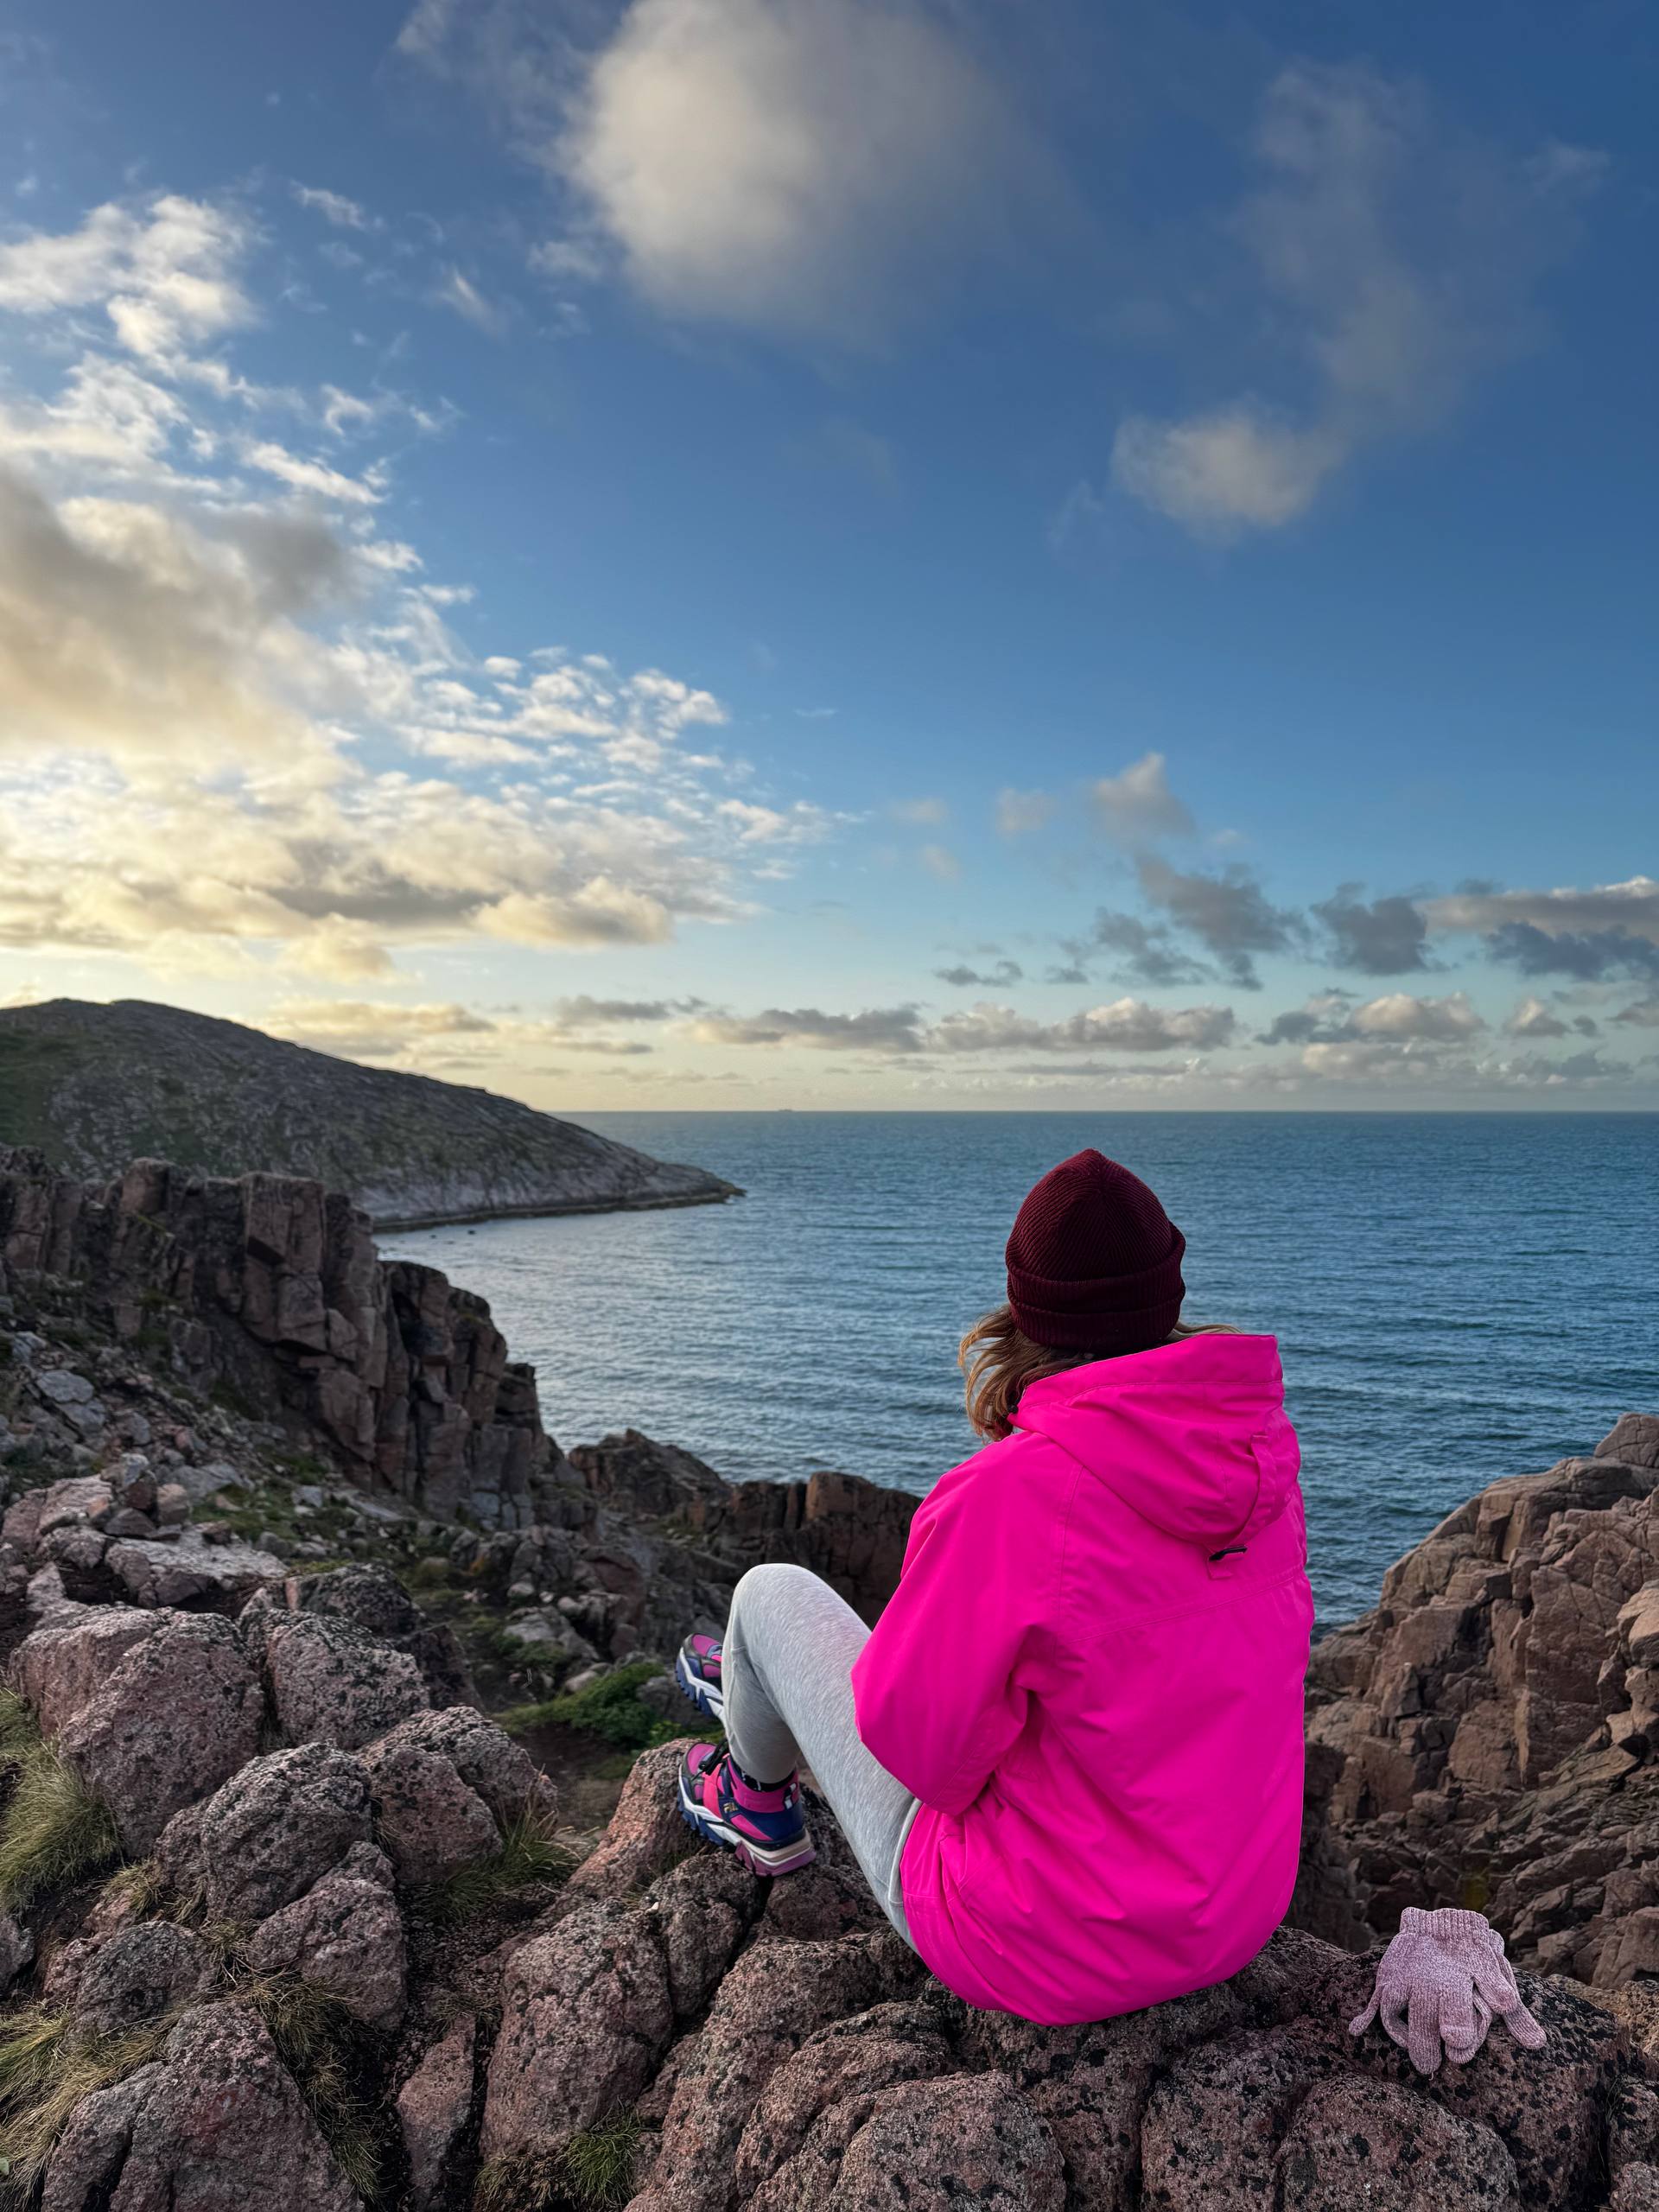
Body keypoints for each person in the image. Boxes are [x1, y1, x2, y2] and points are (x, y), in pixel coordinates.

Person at [671, 1147, 1313, 2025]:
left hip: (1038, 1948)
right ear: (1170, 1294)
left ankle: (752, 1801)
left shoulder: (1008, 1499)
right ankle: (758, 1695)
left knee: (768, 1596)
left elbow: (919, 1756)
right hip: (1232, 1919)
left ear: (1024, 1309)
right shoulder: (1260, 1464)